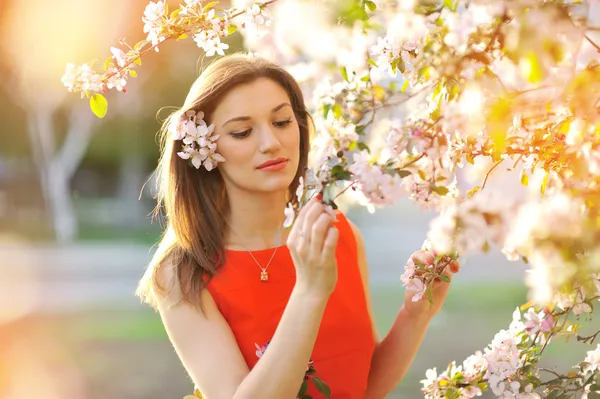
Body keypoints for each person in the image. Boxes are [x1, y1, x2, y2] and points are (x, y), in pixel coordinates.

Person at [136, 54, 460, 399]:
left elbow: (362, 387)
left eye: (281, 122)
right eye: (242, 132)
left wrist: (415, 315)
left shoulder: (335, 233)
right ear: (205, 151)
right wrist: (309, 291)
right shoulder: (182, 272)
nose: (271, 143)